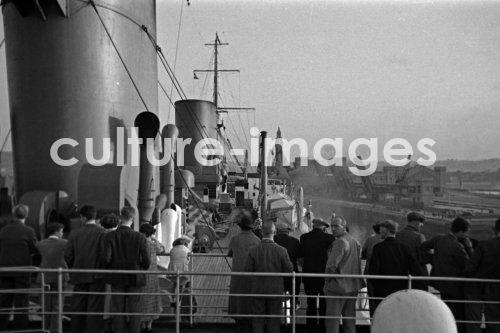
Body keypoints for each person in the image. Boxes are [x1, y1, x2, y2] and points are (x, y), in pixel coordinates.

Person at [103, 207, 150, 333]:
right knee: (135, 309)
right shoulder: (140, 237)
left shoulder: (110, 236)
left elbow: (106, 259)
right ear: (133, 218)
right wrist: (141, 267)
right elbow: (146, 260)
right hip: (135, 276)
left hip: (116, 276)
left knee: (117, 308)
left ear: (120, 217)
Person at [421, 216, 471, 333]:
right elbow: (468, 265)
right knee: (457, 315)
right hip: (456, 287)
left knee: (445, 310)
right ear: (460, 232)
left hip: (441, 284)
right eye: (466, 233)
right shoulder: (458, 246)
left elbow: (422, 247)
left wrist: (433, 260)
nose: (466, 235)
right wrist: (469, 246)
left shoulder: (439, 239)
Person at [245, 222, 293, 333]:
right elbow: (289, 269)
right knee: (274, 320)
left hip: (258, 289)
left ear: (261, 232)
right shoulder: (282, 250)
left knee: (257, 319)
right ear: (274, 232)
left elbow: (247, 270)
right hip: (275, 290)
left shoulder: (253, 250)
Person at [64, 205, 106, 333]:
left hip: (79, 274)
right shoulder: (102, 232)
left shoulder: (75, 233)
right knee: (95, 307)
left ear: (82, 217)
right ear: (95, 217)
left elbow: (68, 256)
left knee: (78, 306)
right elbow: (105, 255)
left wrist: (74, 267)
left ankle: (76, 330)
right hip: (97, 275)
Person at [0, 204, 39, 331]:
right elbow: (35, 249)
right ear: (26, 215)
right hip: (23, 271)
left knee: (4, 302)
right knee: (21, 303)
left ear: (13, 214)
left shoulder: (3, 230)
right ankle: (20, 329)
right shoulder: (29, 231)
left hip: (4, 271)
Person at [368, 220, 422, 312]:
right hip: (401, 290)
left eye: (381, 229)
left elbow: (372, 272)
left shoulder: (378, 248)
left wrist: (377, 286)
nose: (379, 232)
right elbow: (416, 270)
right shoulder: (405, 247)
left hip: (382, 291)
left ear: (386, 230)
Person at [324, 216, 363, 333]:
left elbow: (331, 266)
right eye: (332, 226)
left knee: (332, 321)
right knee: (349, 320)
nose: (333, 229)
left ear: (344, 227)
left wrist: (326, 283)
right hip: (352, 287)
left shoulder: (340, 242)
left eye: (336, 226)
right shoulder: (354, 241)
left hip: (338, 288)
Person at [464, 218, 500, 333]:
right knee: (495, 322)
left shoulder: (484, 245)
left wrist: (469, 249)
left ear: (494, 229)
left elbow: (470, 268)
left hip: (477, 288)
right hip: (496, 290)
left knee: (474, 322)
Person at [227, 210, 261, 333]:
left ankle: (239, 327)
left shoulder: (235, 239)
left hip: (237, 276)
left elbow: (229, 253)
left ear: (241, 227)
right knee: (250, 304)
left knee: (238, 304)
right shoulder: (257, 240)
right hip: (252, 277)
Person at [300, 218, 334, 333]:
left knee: (311, 303)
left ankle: (311, 327)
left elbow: (302, 256)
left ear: (313, 226)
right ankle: (323, 327)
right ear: (324, 227)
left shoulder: (304, 238)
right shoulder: (329, 238)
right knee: (324, 303)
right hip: (324, 276)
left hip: (309, 275)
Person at [37, 222, 68, 333]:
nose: (62, 233)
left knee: (45, 305)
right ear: (56, 231)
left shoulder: (40, 244)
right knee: (57, 305)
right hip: (61, 276)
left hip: (44, 276)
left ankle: (45, 328)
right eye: (61, 231)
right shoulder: (65, 243)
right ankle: (55, 330)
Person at [139, 223, 165, 333]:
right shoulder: (153, 244)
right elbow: (162, 249)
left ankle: (142, 323)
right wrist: (155, 240)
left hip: (141, 273)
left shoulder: (139, 243)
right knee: (152, 297)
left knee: (141, 298)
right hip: (152, 274)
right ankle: (149, 324)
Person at [99, 213, 120, 333]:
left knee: (106, 299)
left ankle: (106, 323)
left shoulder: (102, 235)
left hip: (105, 271)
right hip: (120, 271)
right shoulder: (119, 234)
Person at [274, 222, 301, 301]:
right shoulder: (295, 241)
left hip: (275, 276)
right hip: (291, 277)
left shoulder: (273, 240)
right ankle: (295, 302)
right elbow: (299, 257)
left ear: (277, 231)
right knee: (296, 283)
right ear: (287, 231)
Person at [396, 211, 429, 276]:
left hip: (400, 272)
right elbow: (424, 258)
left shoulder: (397, 235)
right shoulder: (419, 236)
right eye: (421, 223)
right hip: (416, 275)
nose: (421, 225)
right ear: (416, 222)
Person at [361, 221, 383, 317]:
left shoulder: (370, 239)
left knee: (372, 299)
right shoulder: (386, 239)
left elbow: (363, 254)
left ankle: (372, 320)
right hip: (384, 274)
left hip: (370, 273)